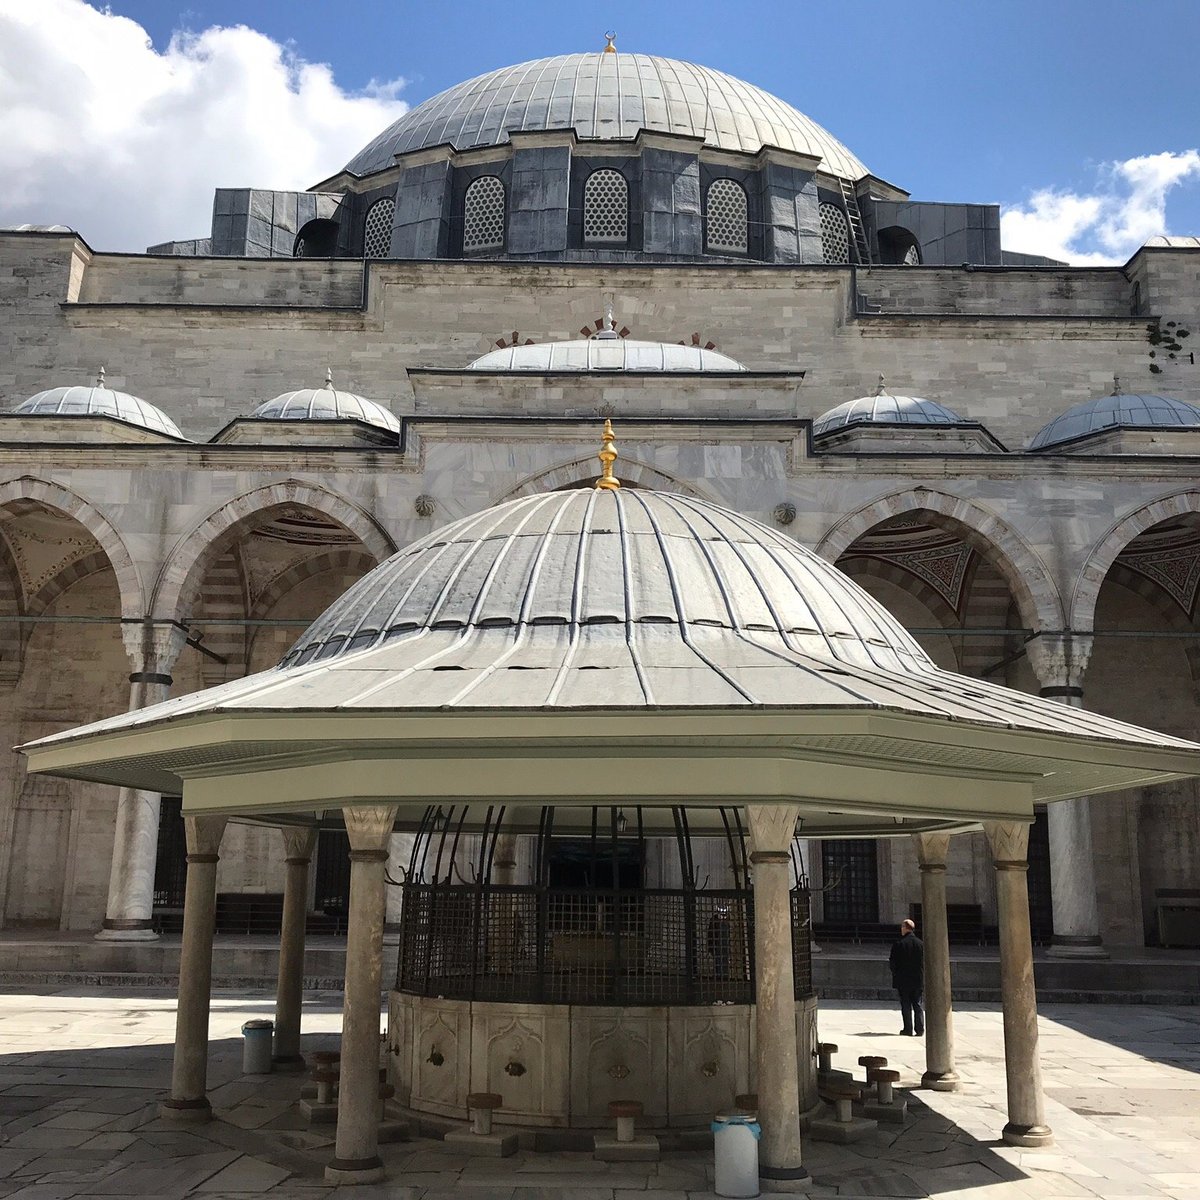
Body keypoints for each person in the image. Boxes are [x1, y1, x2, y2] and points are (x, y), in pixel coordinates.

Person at [889, 918, 924, 1036]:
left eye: (902, 927)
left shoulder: (899, 944)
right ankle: (920, 1029)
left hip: (903, 979)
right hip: (918, 979)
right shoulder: (921, 944)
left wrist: (895, 973)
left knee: (906, 1004)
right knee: (917, 1004)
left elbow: (893, 962)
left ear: (905, 928)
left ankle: (907, 1029)